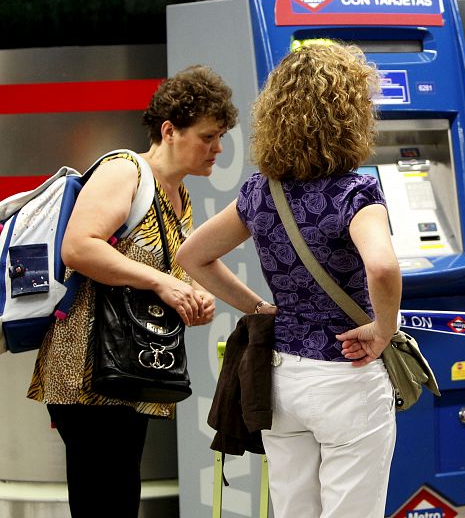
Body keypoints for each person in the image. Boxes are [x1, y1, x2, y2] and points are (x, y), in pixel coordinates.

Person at [176, 41, 400, 518]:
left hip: (281, 378)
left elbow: (193, 256)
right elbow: (382, 266)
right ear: (352, 114)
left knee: (293, 509)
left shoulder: (261, 190)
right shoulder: (355, 191)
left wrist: (258, 308)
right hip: (347, 375)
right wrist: (383, 330)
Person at [27, 65, 238, 518]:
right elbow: (79, 248)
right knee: (105, 497)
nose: (218, 148)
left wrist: (194, 294)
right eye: (208, 136)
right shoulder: (126, 171)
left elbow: (179, 266)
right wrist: (164, 283)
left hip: (131, 370)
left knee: (117, 494)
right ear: (170, 130)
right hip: (87, 372)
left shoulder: (180, 195)